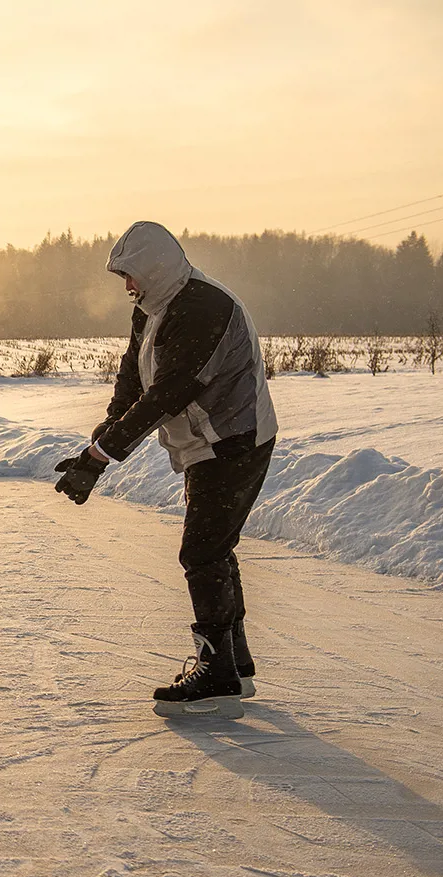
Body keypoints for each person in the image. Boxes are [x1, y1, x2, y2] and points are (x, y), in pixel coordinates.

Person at [53, 221, 277, 719]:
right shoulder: (151, 309)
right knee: (213, 547)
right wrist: (97, 445)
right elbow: (131, 384)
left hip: (235, 439)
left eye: (131, 276)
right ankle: (235, 665)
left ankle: (218, 672)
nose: (127, 288)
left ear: (154, 269)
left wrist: (100, 457)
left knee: (202, 549)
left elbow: (167, 394)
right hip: (208, 442)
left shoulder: (203, 308)